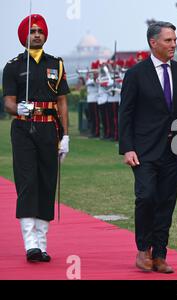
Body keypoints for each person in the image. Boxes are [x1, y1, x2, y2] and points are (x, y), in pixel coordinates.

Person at [119, 21, 177, 273]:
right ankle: (143, 249)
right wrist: (127, 148)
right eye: (168, 40)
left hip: (173, 149)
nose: (174, 44)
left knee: (166, 201)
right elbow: (126, 114)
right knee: (146, 197)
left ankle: (160, 254)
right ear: (153, 43)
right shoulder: (135, 74)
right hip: (143, 151)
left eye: (175, 40)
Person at [2, 14, 70, 262]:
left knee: (46, 183)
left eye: (40, 30)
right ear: (24, 36)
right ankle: (30, 243)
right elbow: (8, 101)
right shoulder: (14, 66)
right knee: (28, 183)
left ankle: (42, 244)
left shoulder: (56, 64)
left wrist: (65, 136)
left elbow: (62, 101)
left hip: (48, 130)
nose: (37, 34)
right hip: (24, 130)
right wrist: (16, 108)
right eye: (32, 31)